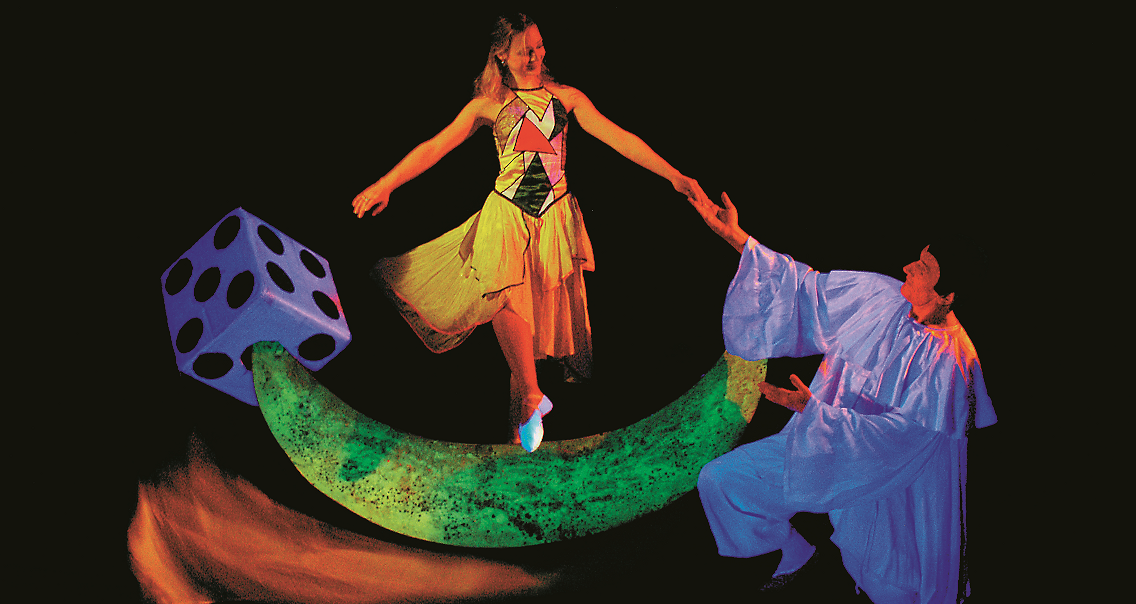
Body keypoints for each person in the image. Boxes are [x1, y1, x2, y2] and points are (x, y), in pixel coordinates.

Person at [351, 14, 709, 452]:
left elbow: (620, 137)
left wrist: (675, 176)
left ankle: (521, 422)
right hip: (507, 213)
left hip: (553, 218)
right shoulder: (489, 105)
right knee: (504, 294)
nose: (536, 56)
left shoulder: (566, 98)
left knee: (528, 331)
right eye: (525, 51)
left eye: (539, 46)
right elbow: (435, 146)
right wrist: (385, 184)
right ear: (502, 55)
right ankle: (533, 394)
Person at [691, 192, 997, 603]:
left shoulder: (953, 362)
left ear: (948, 295)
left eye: (923, 268)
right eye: (917, 258)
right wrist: (737, 237)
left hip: (889, 483)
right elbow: (804, 288)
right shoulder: (879, 295)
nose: (908, 267)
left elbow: (899, 442)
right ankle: (795, 553)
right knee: (722, 481)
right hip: (821, 442)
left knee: (888, 584)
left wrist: (815, 413)